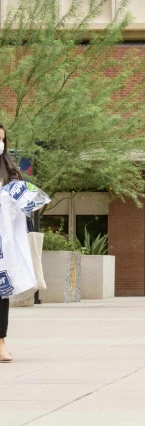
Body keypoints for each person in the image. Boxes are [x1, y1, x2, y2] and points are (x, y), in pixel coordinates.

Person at [0, 124, 23, 363]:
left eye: (1, 139)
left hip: (2, 242)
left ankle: (1, 344)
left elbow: (18, 209)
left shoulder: (10, 171)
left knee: (0, 293)